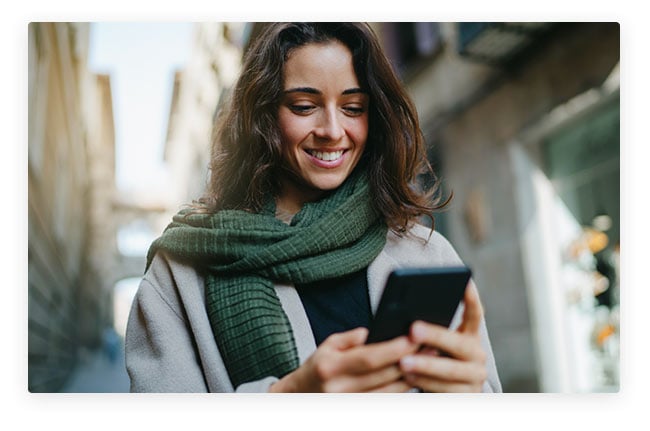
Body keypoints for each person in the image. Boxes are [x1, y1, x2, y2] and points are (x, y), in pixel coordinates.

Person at [125, 22, 502, 393]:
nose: (333, 130)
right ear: (262, 115)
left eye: (353, 107)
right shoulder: (180, 273)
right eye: (304, 106)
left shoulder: (428, 254)